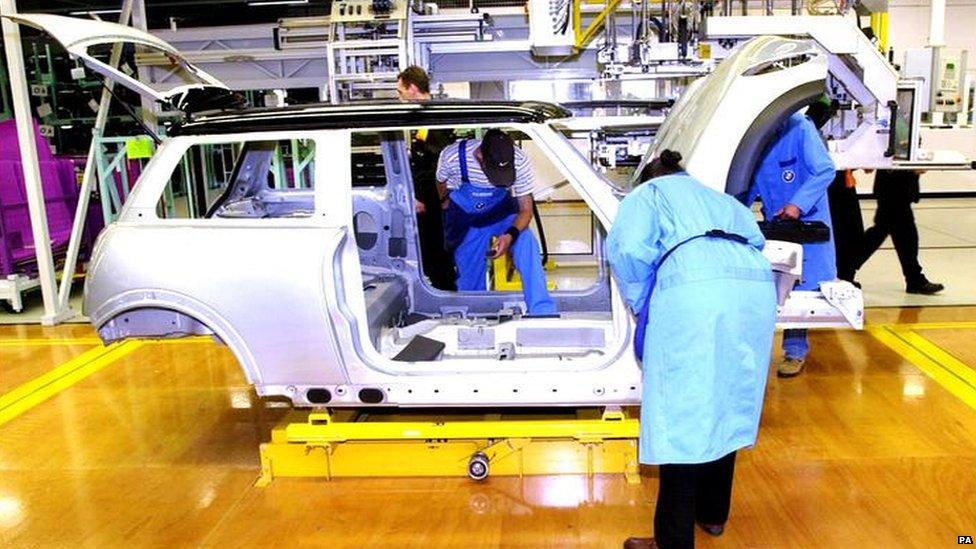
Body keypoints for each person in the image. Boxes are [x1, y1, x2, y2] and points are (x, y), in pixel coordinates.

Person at [607, 150, 777, 549]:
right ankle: (713, 514)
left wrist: (644, 297)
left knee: (682, 413)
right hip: (753, 289)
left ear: (648, 177)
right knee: (727, 396)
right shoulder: (719, 199)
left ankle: (672, 541)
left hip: (694, 291)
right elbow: (758, 240)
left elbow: (628, 250)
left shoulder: (647, 195)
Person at [744, 100, 836, 378]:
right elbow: (749, 181)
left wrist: (797, 204)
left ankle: (795, 352)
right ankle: (754, 350)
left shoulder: (799, 127)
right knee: (770, 286)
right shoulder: (753, 134)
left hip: (806, 218)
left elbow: (825, 170)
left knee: (803, 287)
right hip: (776, 221)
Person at [435, 129, 557, 314]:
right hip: (466, 219)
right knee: (469, 279)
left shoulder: (520, 160)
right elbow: (441, 181)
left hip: (500, 213)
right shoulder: (452, 156)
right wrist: (445, 203)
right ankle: (476, 316)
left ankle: (542, 310)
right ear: (480, 155)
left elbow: (526, 210)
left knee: (526, 242)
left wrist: (510, 236)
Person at [396, 66, 457, 290]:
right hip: (428, 202)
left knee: (436, 254)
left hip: (432, 205)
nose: (399, 97)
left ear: (412, 88)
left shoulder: (435, 118)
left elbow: (439, 169)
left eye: (400, 92)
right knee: (429, 254)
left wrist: (422, 199)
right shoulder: (424, 119)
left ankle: (444, 297)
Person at [856, 169, 944, 294]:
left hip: (895, 187)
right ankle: (845, 269)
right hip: (894, 188)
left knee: (890, 233)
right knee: (899, 235)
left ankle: (914, 279)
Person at [827, 169, 864, 284]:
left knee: (852, 229)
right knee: (843, 229)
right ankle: (842, 275)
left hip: (841, 176)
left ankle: (845, 274)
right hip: (831, 179)